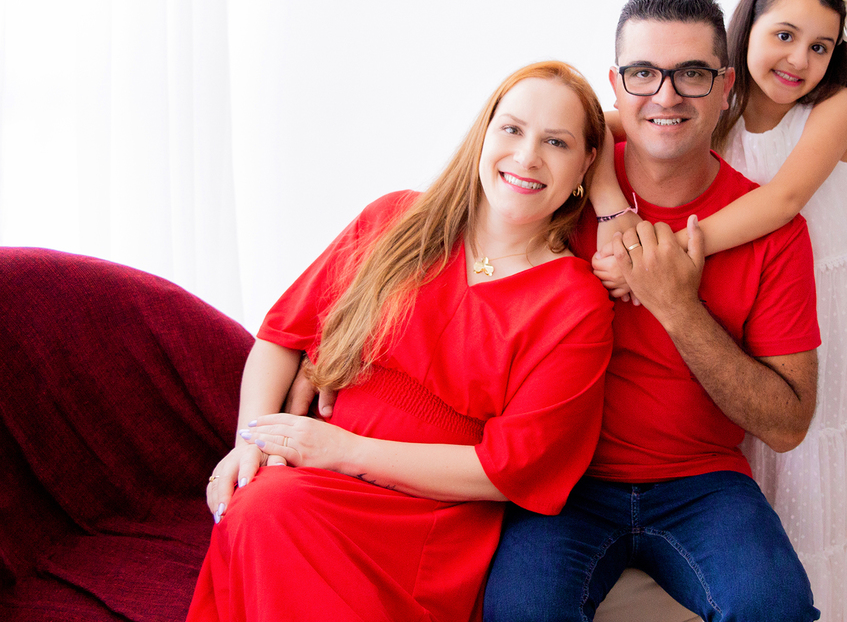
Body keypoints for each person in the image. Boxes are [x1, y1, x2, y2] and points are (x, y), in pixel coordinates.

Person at [186, 61, 615, 622]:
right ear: (483, 134)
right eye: (511, 129)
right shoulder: (394, 220)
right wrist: (251, 440)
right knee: (262, 502)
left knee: (270, 509)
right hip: (317, 474)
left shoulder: (575, 302)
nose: (528, 156)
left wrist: (346, 453)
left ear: (586, 164)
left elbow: (512, 471)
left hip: (430, 512)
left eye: (556, 142)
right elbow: (281, 334)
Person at [483, 0, 823, 622]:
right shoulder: (556, 178)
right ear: (615, 85)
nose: (665, 96)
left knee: (776, 610)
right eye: (643, 74)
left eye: (691, 74)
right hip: (566, 480)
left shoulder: (772, 230)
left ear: (725, 86)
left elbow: (788, 424)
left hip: (704, 486)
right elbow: (444, 268)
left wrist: (676, 306)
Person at [590, 0, 847, 622]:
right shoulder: (706, 107)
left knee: (805, 460)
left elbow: (781, 201)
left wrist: (667, 261)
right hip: (737, 269)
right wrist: (613, 210)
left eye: (820, 47)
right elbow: (595, 123)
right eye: (783, 34)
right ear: (744, 32)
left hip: (805, 274)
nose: (799, 58)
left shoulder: (834, 104)